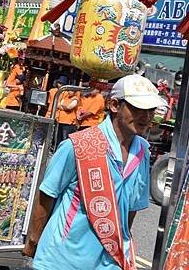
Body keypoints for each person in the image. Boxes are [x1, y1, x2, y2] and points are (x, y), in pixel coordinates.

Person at [23, 74, 166, 270]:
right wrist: (33, 241)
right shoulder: (77, 146)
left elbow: (130, 210)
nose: (146, 116)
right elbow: (47, 194)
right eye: (138, 108)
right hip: (62, 260)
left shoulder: (143, 152)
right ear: (115, 105)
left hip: (110, 262)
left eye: (150, 110)